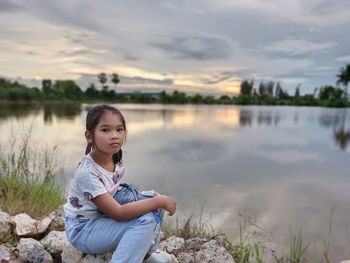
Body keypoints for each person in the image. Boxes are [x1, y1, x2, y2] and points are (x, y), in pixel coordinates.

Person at [64, 104, 176, 263]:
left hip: (100, 214)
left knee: (152, 199)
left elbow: (114, 193)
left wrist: (155, 200)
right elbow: (118, 213)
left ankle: (146, 254)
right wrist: (159, 202)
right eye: (105, 130)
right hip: (84, 230)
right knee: (147, 217)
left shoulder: (114, 156)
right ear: (89, 136)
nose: (114, 135)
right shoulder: (87, 173)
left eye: (119, 130)